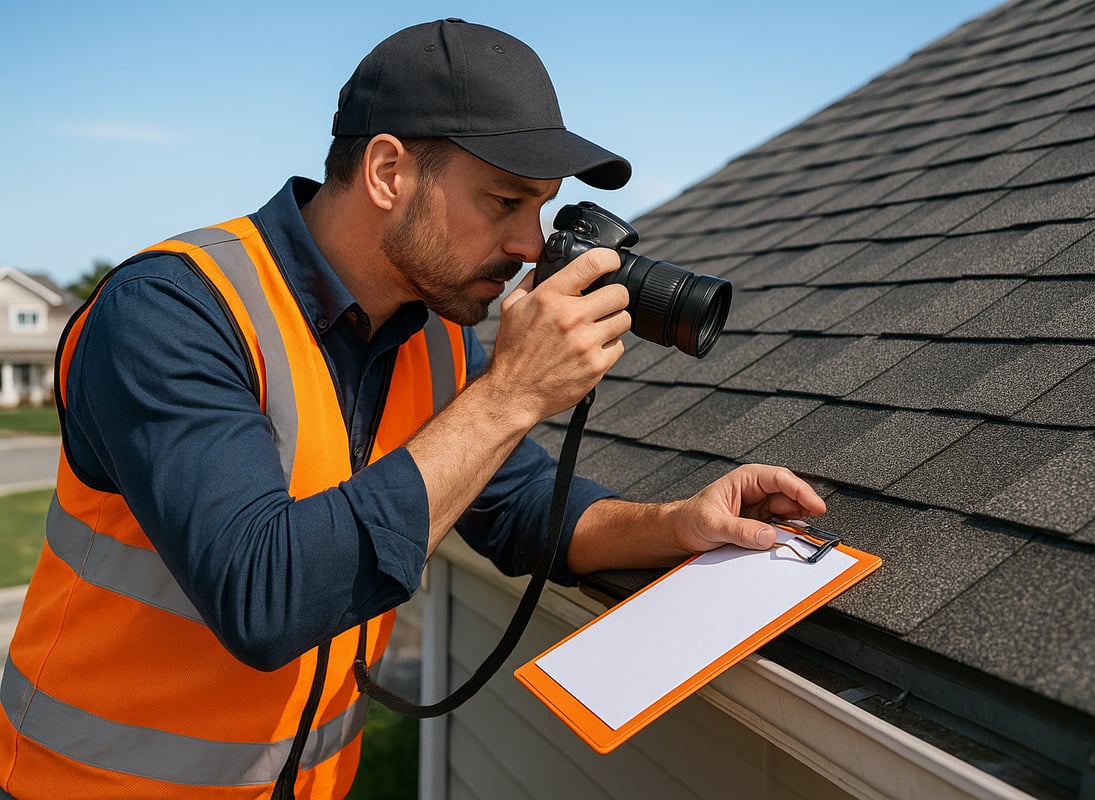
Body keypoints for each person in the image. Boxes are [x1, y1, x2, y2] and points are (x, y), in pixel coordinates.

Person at [0, 18, 825, 800]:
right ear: (387, 172)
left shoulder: (432, 338)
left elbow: (520, 504)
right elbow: (262, 596)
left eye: (540, 207)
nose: (531, 245)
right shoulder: (171, 313)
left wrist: (678, 525)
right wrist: (510, 396)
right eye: (504, 202)